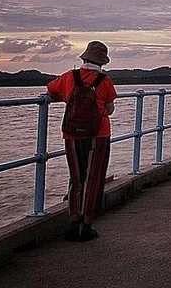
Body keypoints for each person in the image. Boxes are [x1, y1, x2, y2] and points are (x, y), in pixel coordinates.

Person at [46, 40, 117, 241]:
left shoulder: (70, 77)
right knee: (93, 179)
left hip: (72, 134)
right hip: (99, 135)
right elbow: (110, 109)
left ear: (84, 58)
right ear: (102, 62)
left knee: (76, 178)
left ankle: (73, 222)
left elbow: (51, 89)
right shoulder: (105, 80)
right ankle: (87, 226)